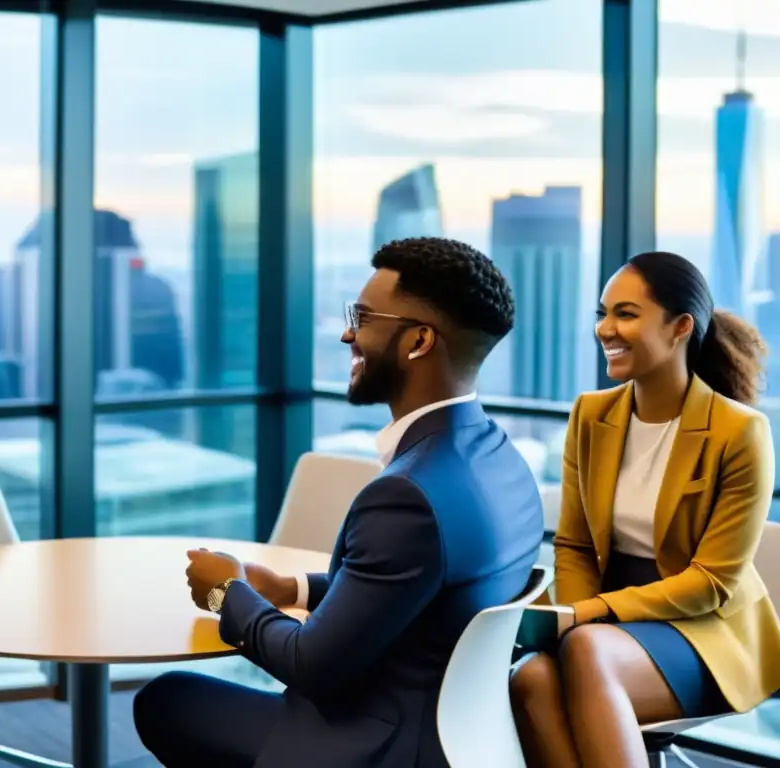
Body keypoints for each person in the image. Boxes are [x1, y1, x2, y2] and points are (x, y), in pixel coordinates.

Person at [133, 237, 545, 767]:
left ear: (418, 340)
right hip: (458, 736)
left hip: (374, 746)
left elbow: (309, 665)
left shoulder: (407, 497)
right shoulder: (500, 458)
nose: (349, 332)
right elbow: (417, 590)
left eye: (364, 316)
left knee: (167, 701)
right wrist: (292, 587)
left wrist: (225, 593)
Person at [510, 251, 780, 768]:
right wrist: (577, 618)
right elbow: (575, 544)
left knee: (588, 654)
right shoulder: (591, 415)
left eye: (626, 314)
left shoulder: (739, 432)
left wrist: (589, 617)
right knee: (532, 678)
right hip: (604, 629)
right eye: (602, 314)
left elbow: (711, 582)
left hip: (704, 629)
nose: (606, 329)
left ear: (681, 327)